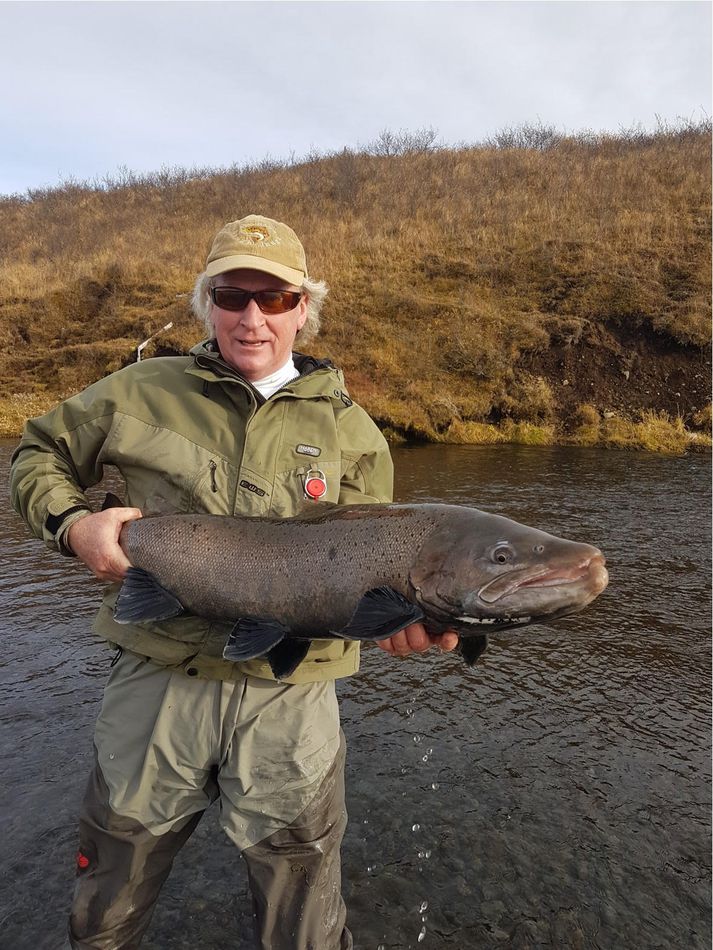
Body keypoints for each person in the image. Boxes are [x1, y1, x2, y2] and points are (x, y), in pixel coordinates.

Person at [10, 213, 458, 950]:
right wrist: (72, 526)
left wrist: (403, 622)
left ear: (303, 309)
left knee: (303, 914)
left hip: (291, 697)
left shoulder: (356, 436)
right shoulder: (137, 392)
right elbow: (38, 453)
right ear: (206, 303)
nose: (252, 318)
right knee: (107, 899)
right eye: (232, 296)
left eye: (275, 299)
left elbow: (383, 575)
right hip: (156, 681)